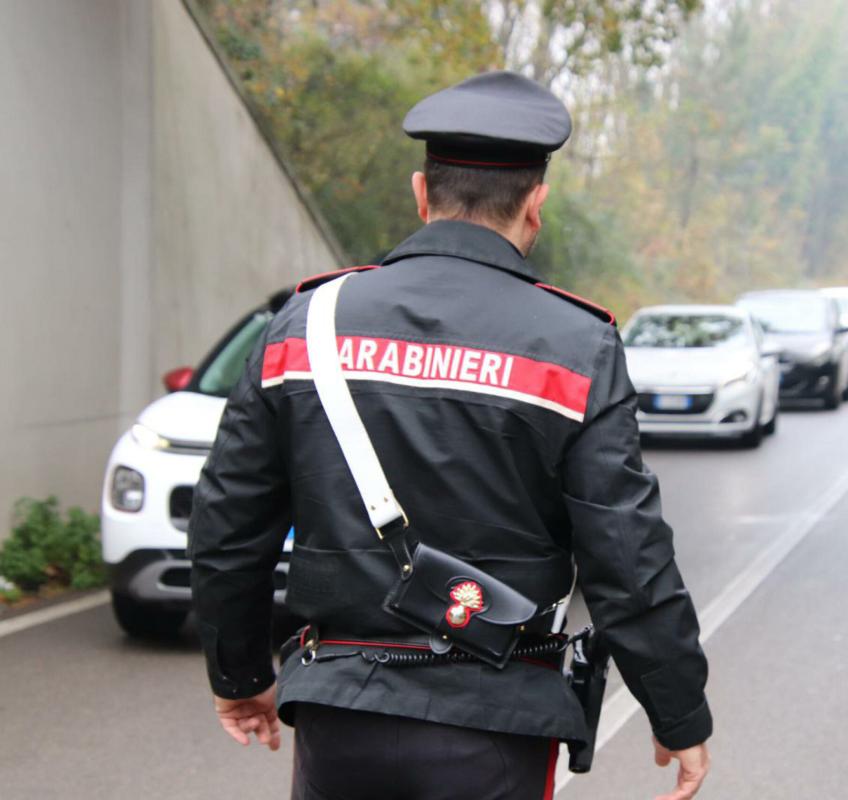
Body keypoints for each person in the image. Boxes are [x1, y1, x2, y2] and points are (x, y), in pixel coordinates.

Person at [188, 70, 712, 800]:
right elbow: (626, 555)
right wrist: (677, 709)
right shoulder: (574, 345)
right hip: (499, 722)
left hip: (341, 716)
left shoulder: (306, 325)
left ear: (420, 193)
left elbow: (227, 523)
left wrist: (239, 675)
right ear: (536, 204)